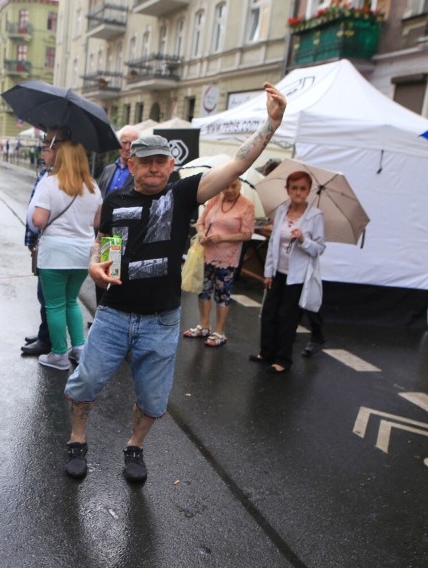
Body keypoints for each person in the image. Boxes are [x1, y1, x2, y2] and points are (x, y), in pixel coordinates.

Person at [62, 83, 286, 483]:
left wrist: (270, 123)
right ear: (131, 165)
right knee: (85, 383)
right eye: (145, 161)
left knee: (151, 397)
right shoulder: (115, 202)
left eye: (161, 161)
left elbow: (235, 165)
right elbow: (104, 246)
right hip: (113, 314)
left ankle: (135, 446)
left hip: (161, 321)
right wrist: (94, 265)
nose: (153, 168)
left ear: (171, 165)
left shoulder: (184, 194)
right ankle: (77, 439)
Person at [30, 140, 102, 370]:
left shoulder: (50, 183)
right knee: (71, 301)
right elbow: (97, 222)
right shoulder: (93, 186)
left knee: (54, 305)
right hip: (83, 252)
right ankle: (79, 348)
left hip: (55, 253)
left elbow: (39, 220)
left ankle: (59, 354)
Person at [249, 171, 326, 374]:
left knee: (287, 318)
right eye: (294, 187)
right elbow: (274, 241)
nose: (298, 192)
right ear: (288, 189)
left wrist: (303, 240)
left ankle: (283, 359)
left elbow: (319, 249)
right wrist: (268, 272)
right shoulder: (282, 210)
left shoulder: (315, 216)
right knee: (268, 314)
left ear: (309, 191)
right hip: (277, 272)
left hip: (297, 277)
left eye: (302, 188)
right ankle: (266, 353)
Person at [182, 177, 254, 347]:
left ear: (240, 185)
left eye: (233, 186)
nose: (229, 190)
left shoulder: (246, 205)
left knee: (222, 294)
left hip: (227, 257)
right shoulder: (215, 199)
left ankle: (219, 332)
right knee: (203, 290)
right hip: (206, 252)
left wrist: (222, 238)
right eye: (226, 186)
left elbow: (247, 234)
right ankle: (204, 326)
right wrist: (202, 233)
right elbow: (200, 223)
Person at [21, 127, 72, 357]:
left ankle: (51, 342)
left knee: (54, 298)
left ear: (57, 149)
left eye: (46, 148)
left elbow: (42, 215)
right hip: (44, 243)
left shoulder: (59, 178)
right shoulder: (46, 173)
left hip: (56, 245)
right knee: (46, 296)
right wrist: (32, 240)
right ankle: (46, 333)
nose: (43, 152)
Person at [93, 126, 140, 307]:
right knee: (103, 275)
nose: (127, 147)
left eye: (132, 143)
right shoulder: (108, 170)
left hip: (128, 235)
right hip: (107, 234)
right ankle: (100, 312)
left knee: (122, 279)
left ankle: (114, 313)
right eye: (124, 142)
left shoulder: (138, 171)